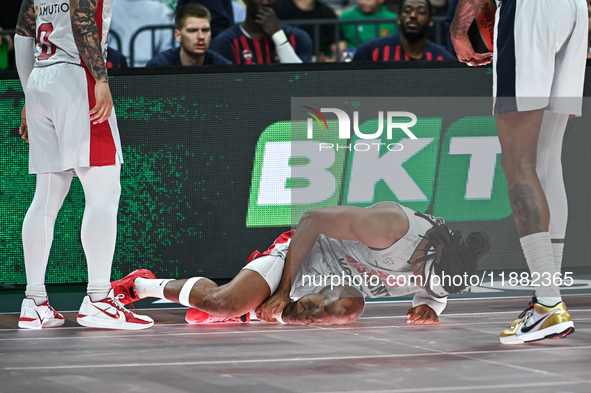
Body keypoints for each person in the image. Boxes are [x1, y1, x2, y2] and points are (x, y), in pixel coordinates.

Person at [451, 0, 587, 344]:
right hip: (573, 10)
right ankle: (547, 299)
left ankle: (548, 305)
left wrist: (457, 29)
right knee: (545, 160)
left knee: (518, 163)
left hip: (530, 11)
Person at [112, 203, 490, 326]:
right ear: (430, 254)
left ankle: (251, 311)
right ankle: (140, 285)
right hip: (306, 253)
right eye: (424, 279)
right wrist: (282, 291)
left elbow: (436, 287)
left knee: (350, 306)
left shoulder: (446, 260)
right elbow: (311, 220)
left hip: (333, 284)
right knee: (222, 302)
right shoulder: (389, 226)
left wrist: (430, 304)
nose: (418, 282)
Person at [14, 0, 153, 330]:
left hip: (39, 80)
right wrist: (100, 79)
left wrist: (28, 94)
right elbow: (81, 19)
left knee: (46, 198)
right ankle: (99, 299)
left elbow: (22, 35)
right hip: (77, 77)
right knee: (104, 192)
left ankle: (34, 302)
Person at [210, 0, 313, 64]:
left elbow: (303, 82)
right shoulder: (225, 42)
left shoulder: (298, 37)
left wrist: (278, 36)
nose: (265, 2)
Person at [353, 0, 455, 62]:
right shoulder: (371, 50)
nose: (413, 16)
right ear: (398, 19)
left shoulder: (443, 58)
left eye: (421, 12)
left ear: (431, 22)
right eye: (407, 11)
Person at [146, 4, 232, 67]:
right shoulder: (159, 67)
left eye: (205, 30)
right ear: (178, 36)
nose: (201, 36)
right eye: (192, 31)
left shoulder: (223, 67)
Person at [110, 0, 174, 67]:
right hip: (115, 66)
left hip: (152, 67)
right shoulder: (159, 9)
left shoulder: (159, 9)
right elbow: (167, 47)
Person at [275, 0, 342, 60]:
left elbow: (340, 47)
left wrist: (330, 61)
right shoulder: (279, 8)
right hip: (286, 63)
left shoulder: (326, 11)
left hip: (314, 66)